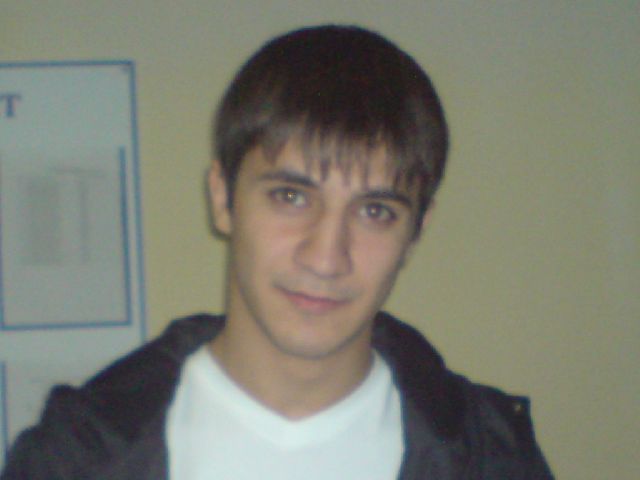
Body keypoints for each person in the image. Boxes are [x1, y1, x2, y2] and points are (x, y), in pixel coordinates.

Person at [1, 25, 553, 479]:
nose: (326, 257)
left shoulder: (492, 458)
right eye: (291, 197)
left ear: (415, 232)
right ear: (223, 198)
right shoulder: (74, 459)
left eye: (375, 211)